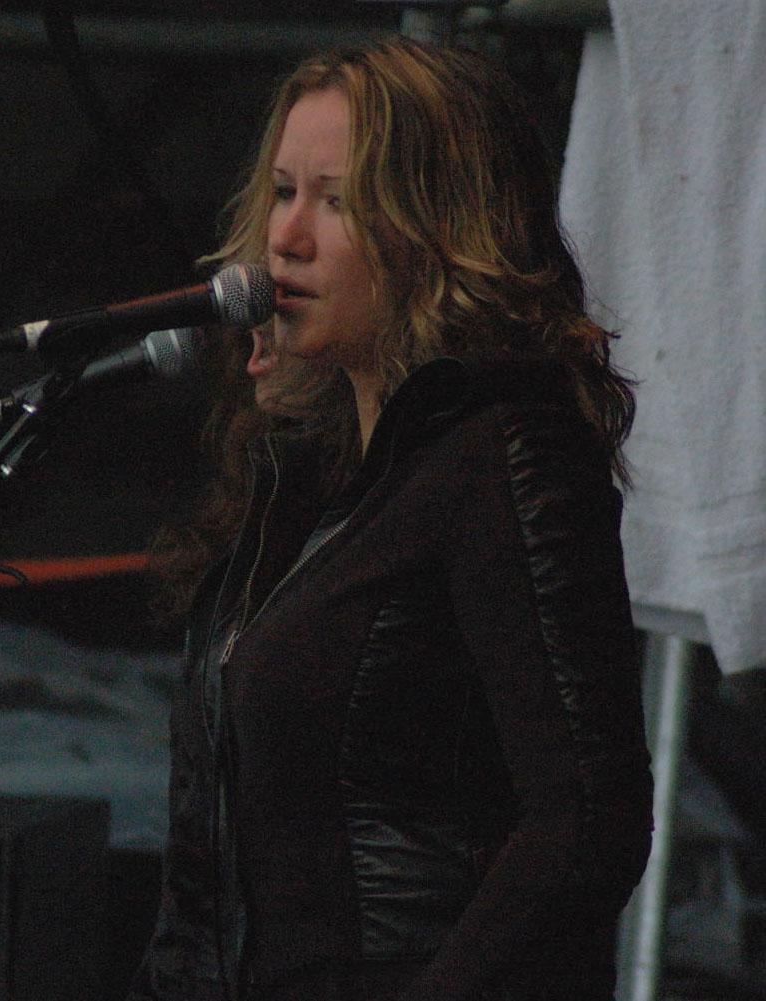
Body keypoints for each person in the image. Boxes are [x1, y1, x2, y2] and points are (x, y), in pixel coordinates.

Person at [135, 36, 654, 1001]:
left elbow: (584, 823)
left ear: (439, 225)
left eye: (335, 201)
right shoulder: (309, 484)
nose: (286, 237)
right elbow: (208, 878)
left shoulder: (504, 455)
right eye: (281, 193)